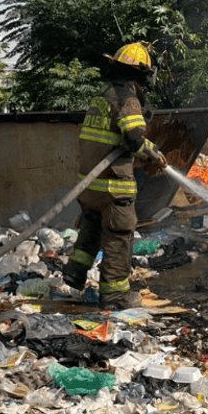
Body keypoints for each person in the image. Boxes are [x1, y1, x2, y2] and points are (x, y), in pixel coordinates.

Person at [62, 42, 168, 308]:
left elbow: (114, 137)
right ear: (141, 74)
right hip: (113, 186)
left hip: (90, 185)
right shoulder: (127, 99)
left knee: (91, 228)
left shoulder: (103, 96)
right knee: (119, 238)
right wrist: (152, 153)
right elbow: (133, 138)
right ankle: (115, 296)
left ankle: (74, 274)